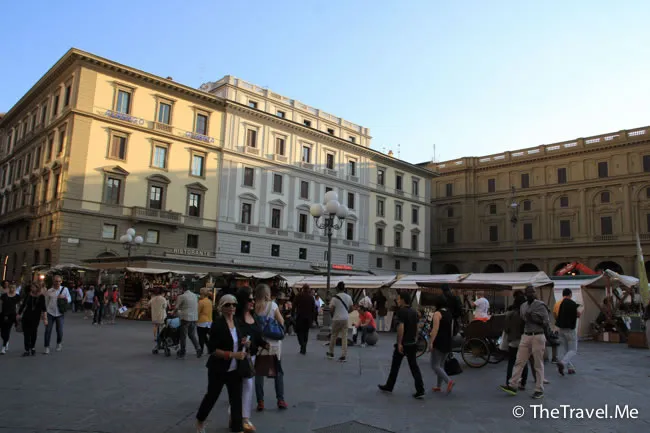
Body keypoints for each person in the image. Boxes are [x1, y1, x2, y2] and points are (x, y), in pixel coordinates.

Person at [196, 295, 247, 433]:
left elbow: (239, 340)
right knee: (212, 396)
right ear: (221, 308)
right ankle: (200, 420)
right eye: (227, 305)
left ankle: (238, 428)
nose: (231, 307)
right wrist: (232, 354)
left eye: (233, 305)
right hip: (218, 369)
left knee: (236, 400)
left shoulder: (237, 322)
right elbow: (212, 350)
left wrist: (245, 342)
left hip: (235, 369)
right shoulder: (217, 325)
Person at [500, 286, 549, 399]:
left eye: (532, 292)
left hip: (537, 335)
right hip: (526, 335)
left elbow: (545, 322)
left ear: (535, 293)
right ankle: (512, 385)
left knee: (538, 364)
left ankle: (539, 389)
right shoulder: (523, 306)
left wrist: (533, 318)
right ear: (526, 294)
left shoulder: (540, 305)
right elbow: (523, 320)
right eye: (528, 293)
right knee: (519, 361)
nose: (530, 294)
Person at [378, 292, 425, 399]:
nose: (397, 301)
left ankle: (390, 385)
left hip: (404, 343)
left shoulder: (401, 312)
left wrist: (399, 343)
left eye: (399, 299)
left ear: (403, 300)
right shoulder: (414, 312)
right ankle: (420, 389)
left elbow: (401, 328)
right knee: (414, 367)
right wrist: (416, 338)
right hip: (412, 343)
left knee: (395, 365)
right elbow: (417, 327)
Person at [234, 287, 269, 433]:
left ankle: (243, 418)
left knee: (247, 385)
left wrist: (264, 344)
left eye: (253, 299)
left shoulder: (253, 316)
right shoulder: (237, 319)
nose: (253, 302)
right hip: (238, 357)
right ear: (243, 301)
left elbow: (257, 335)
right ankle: (240, 418)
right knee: (239, 387)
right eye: (249, 299)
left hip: (251, 357)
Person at [254, 283, 288, 411]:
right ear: (267, 294)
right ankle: (280, 399)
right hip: (273, 344)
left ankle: (260, 401)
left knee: (259, 374)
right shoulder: (273, 306)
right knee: (278, 372)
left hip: (260, 344)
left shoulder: (254, 308)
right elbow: (282, 322)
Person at [504, 290, 533, 390]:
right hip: (524, 340)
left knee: (511, 362)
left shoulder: (510, 314)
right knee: (523, 363)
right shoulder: (526, 315)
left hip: (512, 340)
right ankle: (523, 383)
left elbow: (506, 329)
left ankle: (509, 381)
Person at [428, 295, 455, 394]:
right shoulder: (449, 313)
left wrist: (431, 342)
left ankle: (449, 381)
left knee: (434, 365)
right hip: (448, 341)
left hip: (439, 341)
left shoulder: (437, 314)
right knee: (441, 365)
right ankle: (438, 386)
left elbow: (435, 329)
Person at [555, 288, 581, 376]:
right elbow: (577, 314)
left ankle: (570, 368)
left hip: (561, 329)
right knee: (573, 350)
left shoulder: (558, 303)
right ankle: (563, 363)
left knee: (566, 350)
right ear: (570, 294)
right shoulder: (572, 304)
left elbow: (555, 314)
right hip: (569, 329)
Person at [44, 275, 71, 354]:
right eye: (56, 281)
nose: (57, 283)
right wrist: (44, 314)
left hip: (59, 313)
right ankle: (46, 346)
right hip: (50, 313)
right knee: (48, 330)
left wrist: (64, 298)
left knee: (59, 330)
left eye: (59, 281)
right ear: (53, 281)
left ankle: (59, 343)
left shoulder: (65, 289)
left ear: (61, 281)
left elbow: (69, 299)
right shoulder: (49, 291)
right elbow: (46, 302)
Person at [18, 283, 47, 356]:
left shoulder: (41, 297)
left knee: (33, 333)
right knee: (26, 333)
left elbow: (44, 309)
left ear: (37, 288)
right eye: (31, 287)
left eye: (34, 287)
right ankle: (27, 349)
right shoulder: (28, 295)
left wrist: (45, 319)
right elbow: (23, 305)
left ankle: (33, 347)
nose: (32, 289)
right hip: (26, 316)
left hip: (35, 317)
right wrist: (18, 314)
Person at [327, 281, 353, 362]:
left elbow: (331, 309)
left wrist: (332, 315)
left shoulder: (334, 298)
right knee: (344, 337)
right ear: (344, 288)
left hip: (336, 318)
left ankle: (331, 353)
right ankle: (343, 355)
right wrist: (346, 312)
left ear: (337, 288)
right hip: (345, 319)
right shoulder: (348, 297)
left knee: (334, 335)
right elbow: (351, 308)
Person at [175, 287, 202, 359]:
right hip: (194, 318)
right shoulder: (195, 295)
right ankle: (198, 348)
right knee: (192, 334)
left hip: (185, 318)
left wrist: (173, 312)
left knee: (183, 336)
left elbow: (177, 307)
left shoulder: (182, 296)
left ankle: (183, 351)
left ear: (182, 289)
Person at [293, 284, 315, 355]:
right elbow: (313, 309)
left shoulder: (298, 296)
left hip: (300, 317)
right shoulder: (311, 297)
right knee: (306, 332)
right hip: (308, 318)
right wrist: (312, 318)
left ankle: (302, 344)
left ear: (302, 288)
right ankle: (304, 345)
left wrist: (293, 314)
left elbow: (294, 305)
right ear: (308, 289)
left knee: (299, 332)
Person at [1, 284, 20, 354]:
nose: (12, 289)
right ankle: (6, 341)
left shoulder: (17, 297)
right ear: (9, 288)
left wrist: (18, 314)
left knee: (7, 330)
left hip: (12, 315)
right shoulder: (4, 296)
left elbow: (19, 306)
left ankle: (3, 347)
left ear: (15, 289)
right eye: (11, 287)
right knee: (2, 332)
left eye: (13, 288)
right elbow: (1, 304)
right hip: (3, 315)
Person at [197, 288, 213, 354]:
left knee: (201, 336)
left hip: (202, 321)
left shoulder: (201, 302)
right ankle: (209, 349)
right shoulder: (210, 301)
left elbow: (197, 312)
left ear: (202, 294)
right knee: (205, 336)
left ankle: (201, 350)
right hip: (209, 321)